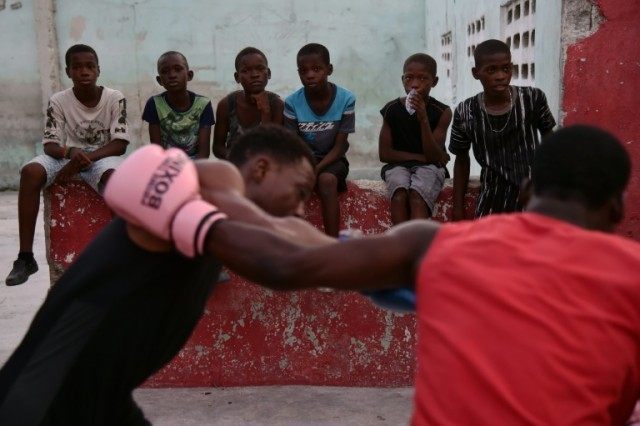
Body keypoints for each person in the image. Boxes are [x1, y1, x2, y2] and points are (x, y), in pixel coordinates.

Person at [108, 125, 637, 424]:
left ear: (525, 191)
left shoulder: (436, 243)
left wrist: (181, 210)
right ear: (615, 208)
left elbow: (286, 264)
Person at [0, 125, 329, 425]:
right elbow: (283, 259)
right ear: (261, 169)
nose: (300, 209)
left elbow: (290, 245)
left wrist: (347, 250)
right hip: (38, 407)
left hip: (102, 403)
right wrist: (366, 257)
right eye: (299, 191)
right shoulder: (199, 193)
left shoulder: (217, 228)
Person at [5, 44, 129, 286]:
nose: (84, 72)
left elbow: (120, 144)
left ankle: (122, 255)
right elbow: (50, 145)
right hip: (66, 155)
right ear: (68, 71)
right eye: (77, 67)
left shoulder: (115, 98)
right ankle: (25, 258)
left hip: (101, 156)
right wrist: (71, 153)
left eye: (90, 66)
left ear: (98, 70)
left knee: (115, 180)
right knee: (30, 172)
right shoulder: (59, 101)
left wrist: (85, 159)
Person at [449, 39, 556, 220]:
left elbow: (550, 141)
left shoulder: (532, 98)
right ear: (476, 73)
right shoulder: (466, 111)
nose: (500, 76)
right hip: (492, 196)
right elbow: (461, 159)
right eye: (491, 70)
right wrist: (458, 208)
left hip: (532, 193)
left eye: (505, 69)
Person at [284, 43, 356, 237]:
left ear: (329, 69)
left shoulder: (346, 98)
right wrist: (305, 168)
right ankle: (294, 242)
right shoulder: (292, 103)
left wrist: (315, 170)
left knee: (326, 180)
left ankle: (331, 245)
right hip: (304, 159)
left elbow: (341, 146)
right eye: (303, 71)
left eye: (316, 69)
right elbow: (293, 145)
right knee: (290, 184)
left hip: (333, 159)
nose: (310, 75)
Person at [379, 53, 452, 224]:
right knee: (399, 196)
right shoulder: (392, 109)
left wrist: (423, 119)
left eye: (423, 79)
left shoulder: (442, 112)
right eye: (409, 78)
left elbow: (433, 156)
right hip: (398, 165)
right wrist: (419, 158)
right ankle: (401, 247)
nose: (414, 84)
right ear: (402, 79)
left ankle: (418, 247)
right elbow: (385, 154)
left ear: (434, 81)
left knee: (417, 197)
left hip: (430, 167)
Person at [213, 47, 284, 159]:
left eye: (260, 69)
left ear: (269, 73)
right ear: (237, 77)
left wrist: (265, 113)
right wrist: (238, 161)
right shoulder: (226, 105)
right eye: (246, 71)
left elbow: (272, 147)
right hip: (235, 165)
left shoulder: (277, 105)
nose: (254, 75)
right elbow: (218, 147)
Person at [142, 51, 214, 159]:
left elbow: (204, 154)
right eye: (165, 71)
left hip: (197, 167)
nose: (172, 75)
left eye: (178, 69)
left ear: (189, 75)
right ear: (159, 80)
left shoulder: (203, 104)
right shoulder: (154, 104)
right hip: (166, 166)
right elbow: (157, 151)